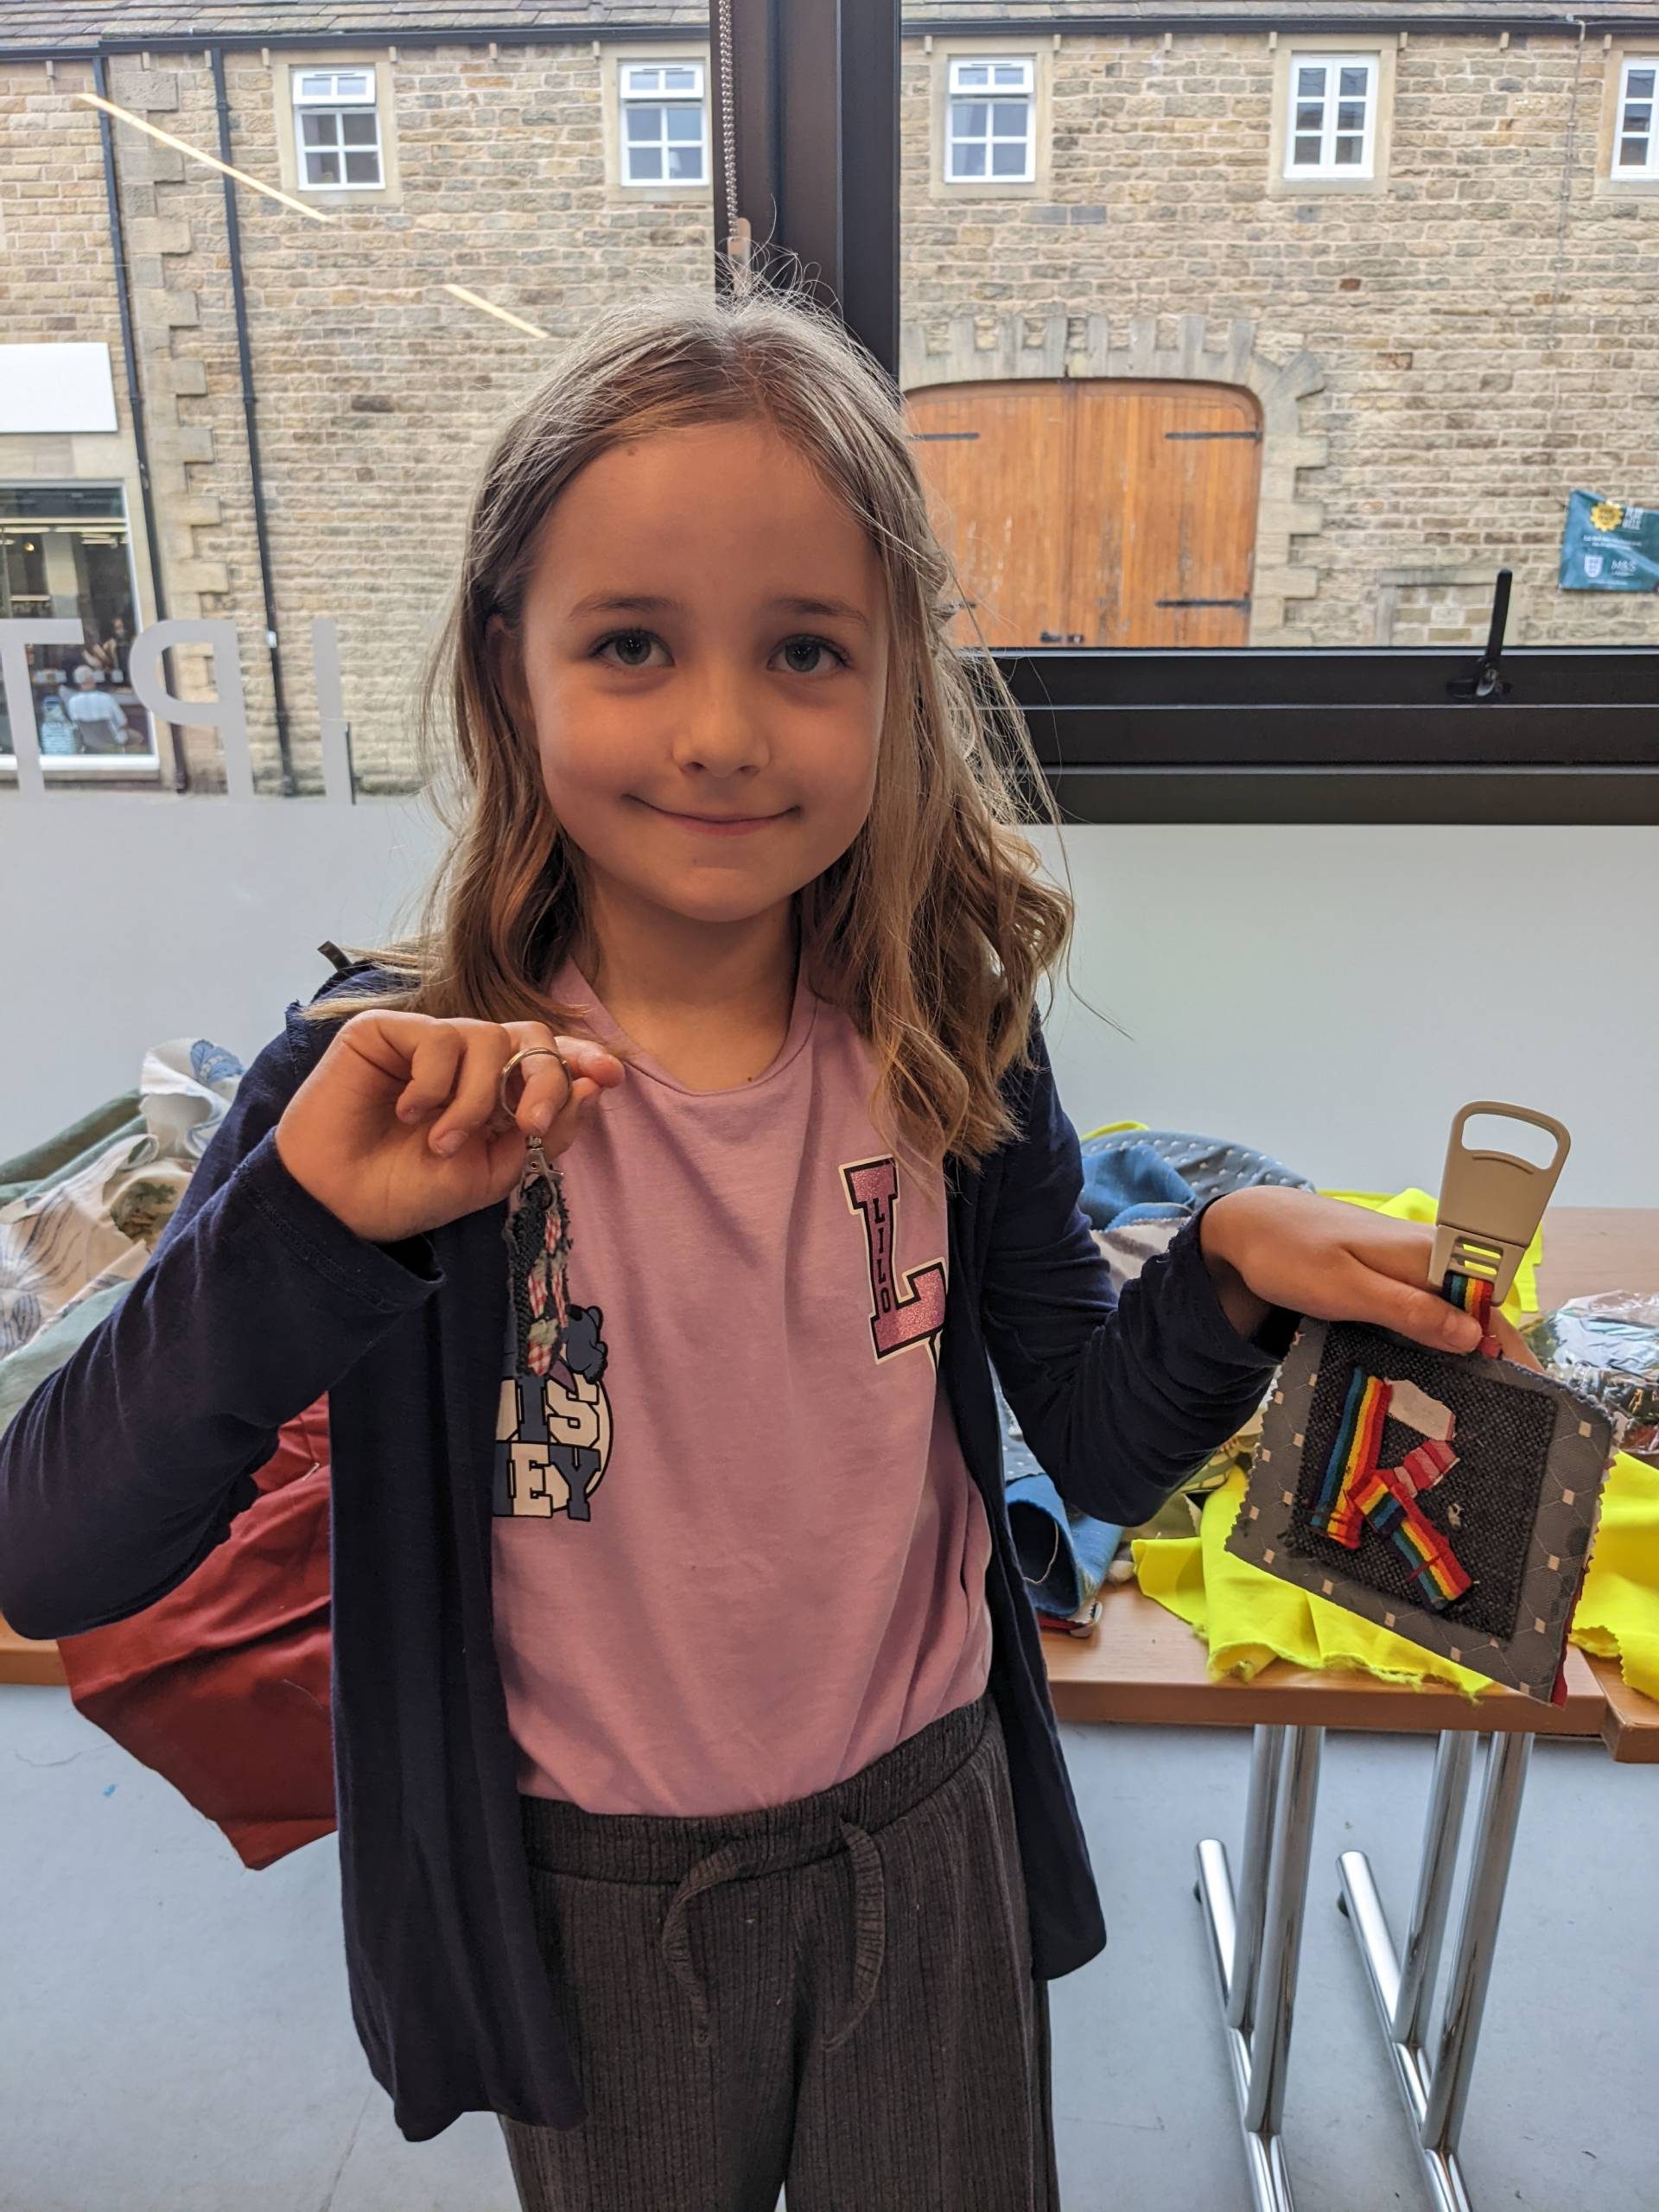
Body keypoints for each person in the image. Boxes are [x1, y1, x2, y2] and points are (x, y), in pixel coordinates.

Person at [0, 279, 1532, 2211]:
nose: (721, 731)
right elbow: (53, 1556)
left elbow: (1095, 1442)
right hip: (583, 1890)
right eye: (632, 643)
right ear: (509, 668)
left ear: (897, 682)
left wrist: (1222, 1260)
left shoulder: (952, 1033)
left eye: (807, 648)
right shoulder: (390, 1092)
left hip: (932, 1830)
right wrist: (296, 1230)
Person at [62, 662, 133, 753]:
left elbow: (75, 725)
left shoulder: (72, 702)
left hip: (89, 743)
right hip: (112, 742)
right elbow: (123, 723)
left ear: (77, 682)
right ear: (92, 679)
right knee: (136, 736)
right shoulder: (107, 698)